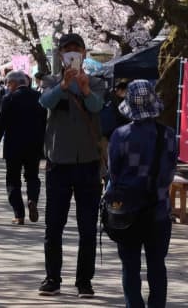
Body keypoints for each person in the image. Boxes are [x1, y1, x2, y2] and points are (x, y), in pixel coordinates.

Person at [38, 33, 106, 298]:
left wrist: (85, 88)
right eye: (67, 50)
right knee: (54, 225)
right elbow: (44, 103)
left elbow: (97, 107)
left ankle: (84, 281)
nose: (72, 53)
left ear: (84, 54)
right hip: (59, 162)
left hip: (88, 163)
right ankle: (52, 277)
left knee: (87, 227)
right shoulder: (50, 82)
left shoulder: (97, 82)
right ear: (60, 55)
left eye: (76, 49)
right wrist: (63, 86)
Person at [107, 80, 178, 308]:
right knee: (157, 264)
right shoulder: (168, 135)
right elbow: (170, 170)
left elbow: (113, 174)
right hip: (158, 209)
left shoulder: (120, 135)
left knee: (130, 266)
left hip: (127, 212)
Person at [0, 71, 47, 225]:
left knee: (13, 179)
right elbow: (45, 122)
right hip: (34, 145)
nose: (8, 87)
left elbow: (1, 122)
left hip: (14, 145)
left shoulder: (9, 98)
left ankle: (19, 214)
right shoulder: (38, 97)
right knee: (32, 176)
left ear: (14, 83)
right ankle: (32, 200)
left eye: (8, 84)